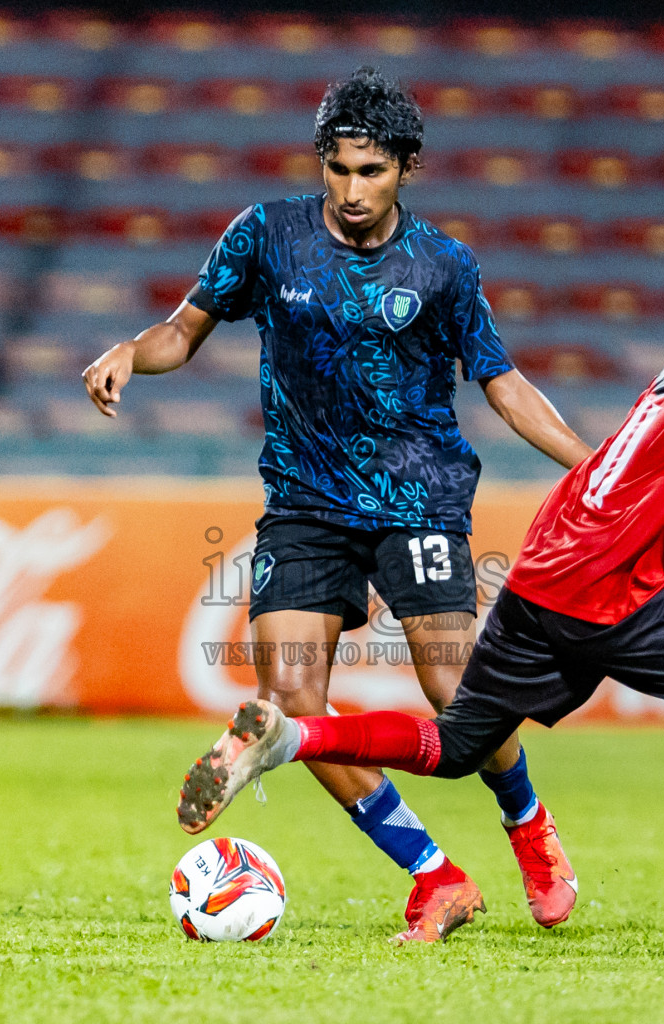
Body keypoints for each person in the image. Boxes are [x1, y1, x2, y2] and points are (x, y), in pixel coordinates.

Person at [177, 184, 664, 965]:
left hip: (551, 560)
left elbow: (644, 454)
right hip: (608, 590)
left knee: (458, 744)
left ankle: (291, 737)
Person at [84, 68, 593, 942]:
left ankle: (529, 826)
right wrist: (132, 351)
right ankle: (436, 878)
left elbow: (503, 386)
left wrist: (595, 469)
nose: (352, 191)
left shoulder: (442, 264)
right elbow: (182, 330)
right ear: (321, 161)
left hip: (418, 498)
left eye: (373, 172)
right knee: (287, 703)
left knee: (454, 692)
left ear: (407, 169)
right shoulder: (266, 235)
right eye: (339, 168)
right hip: (306, 503)